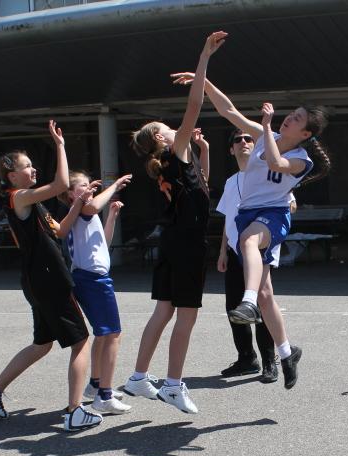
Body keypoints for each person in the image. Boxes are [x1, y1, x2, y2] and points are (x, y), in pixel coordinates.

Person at [173, 73, 331, 390]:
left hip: (273, 214)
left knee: (247, 242)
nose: (290, 119)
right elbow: (229, 111)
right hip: (248, 213)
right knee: (266, 292)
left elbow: (275, 162)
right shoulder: (263, 134)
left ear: (306, 133)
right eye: (291, 114)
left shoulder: (301, 160)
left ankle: (246, 302)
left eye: (297, 119)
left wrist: (268, 125)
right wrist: (204, 82)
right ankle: (287, 352)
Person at [0, 120, 102, 433]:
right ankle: (75, 410)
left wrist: (80, 203)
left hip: (40, 280)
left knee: (42, 344)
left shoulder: (33, 202)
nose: (32, 170)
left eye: (32, 165)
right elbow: (60, 185)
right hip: (47, 280)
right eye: (27, 166)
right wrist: (60, 146)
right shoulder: (18, 197)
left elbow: (60, 231)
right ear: (11, 175)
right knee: (81, 340)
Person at [125, 31, 227, 414]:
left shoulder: (176, 161)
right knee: (187, 315)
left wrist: (204, 151)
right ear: (161, 139)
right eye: (164, 127)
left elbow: (203, 186)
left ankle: (138, 377)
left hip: (173, 239)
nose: (171, 127)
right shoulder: (174, 150)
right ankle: (172, 384)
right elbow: (196, 104)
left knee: (163, 312)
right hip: (186, 242)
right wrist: (203, 58)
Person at [215, 129, 296, 384]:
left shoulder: (267, 172)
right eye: (237, 140)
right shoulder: (231, 182)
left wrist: (287, 205)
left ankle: (270, 361)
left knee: (261, 303)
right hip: (234, 248)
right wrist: (222, 251)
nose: (243, 143)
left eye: (248, 139)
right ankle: (246, 358)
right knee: (233, 308)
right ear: (231, 150)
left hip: (260, 246)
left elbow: (289, 202)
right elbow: (228, 217)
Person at [55, 170, 134, 415]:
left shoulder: (87, 214)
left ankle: (96, 384)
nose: (89, 189)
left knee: (103, 334)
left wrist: (111, 216)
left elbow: (103, 244)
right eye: (82, 186)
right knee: (113, 334)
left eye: (90, 185)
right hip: (93, 279)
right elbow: (93, 206)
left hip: (91, 276)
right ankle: (105, 396)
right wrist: (115, 185)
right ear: (69, 194)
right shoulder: (81, 210)